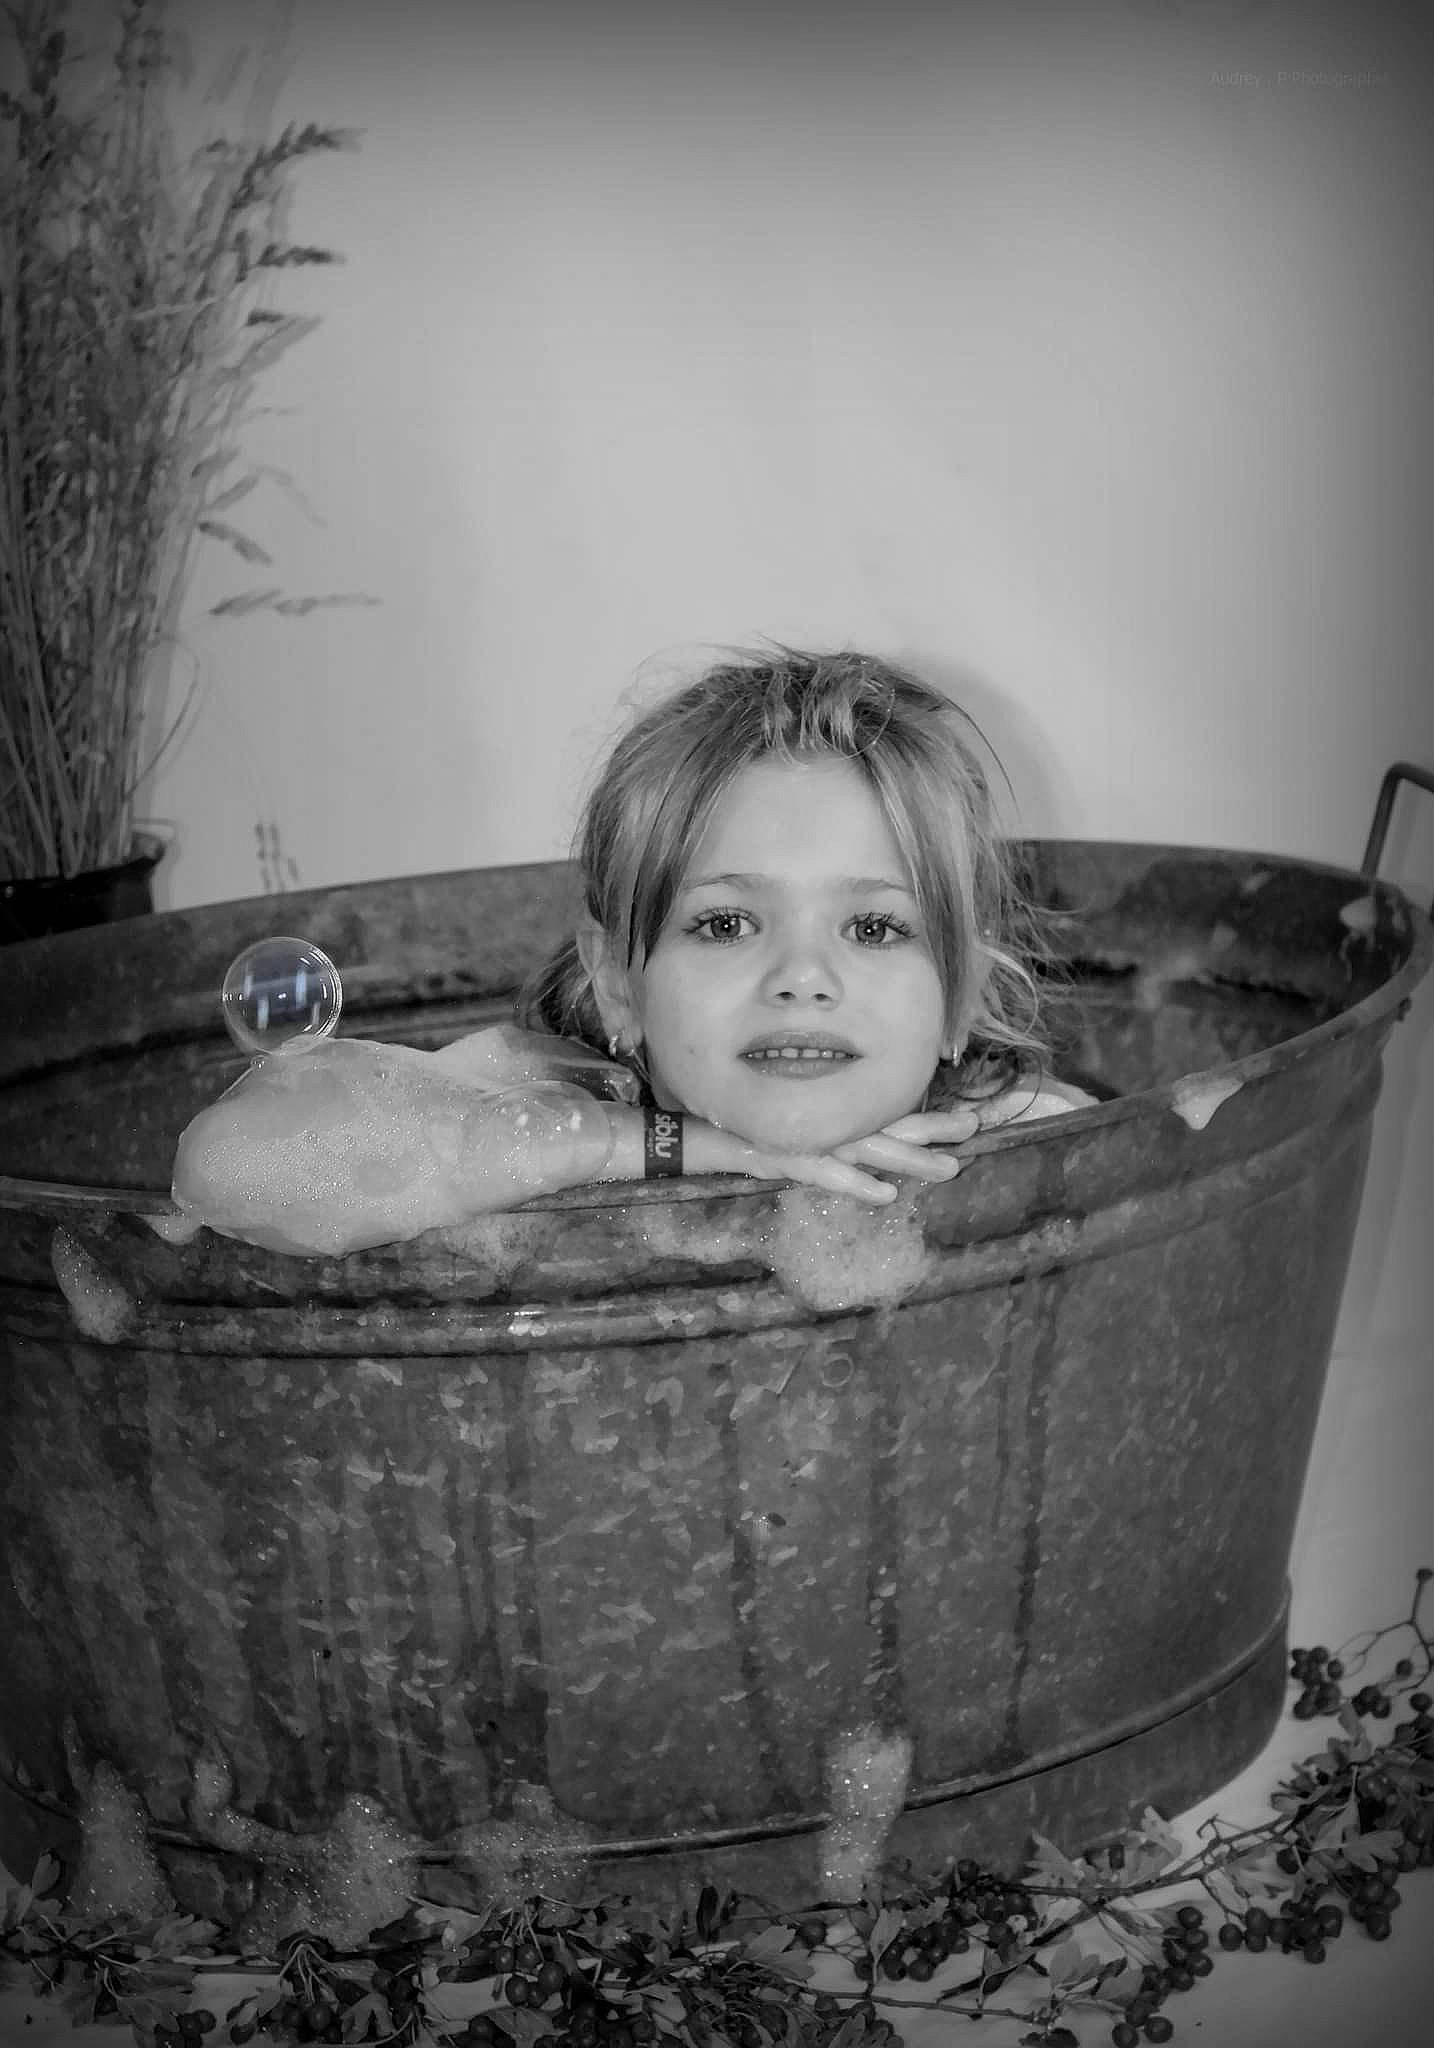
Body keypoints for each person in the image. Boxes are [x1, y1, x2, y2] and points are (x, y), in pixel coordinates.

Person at [171, 648, 1093, 1256]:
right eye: (726, 924)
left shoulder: (1016, 1129)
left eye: (876, 927)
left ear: (965, 996)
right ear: (618, 987)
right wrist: (668, 1147)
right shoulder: (545, 1095)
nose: (803, 980)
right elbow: (227, 1165)